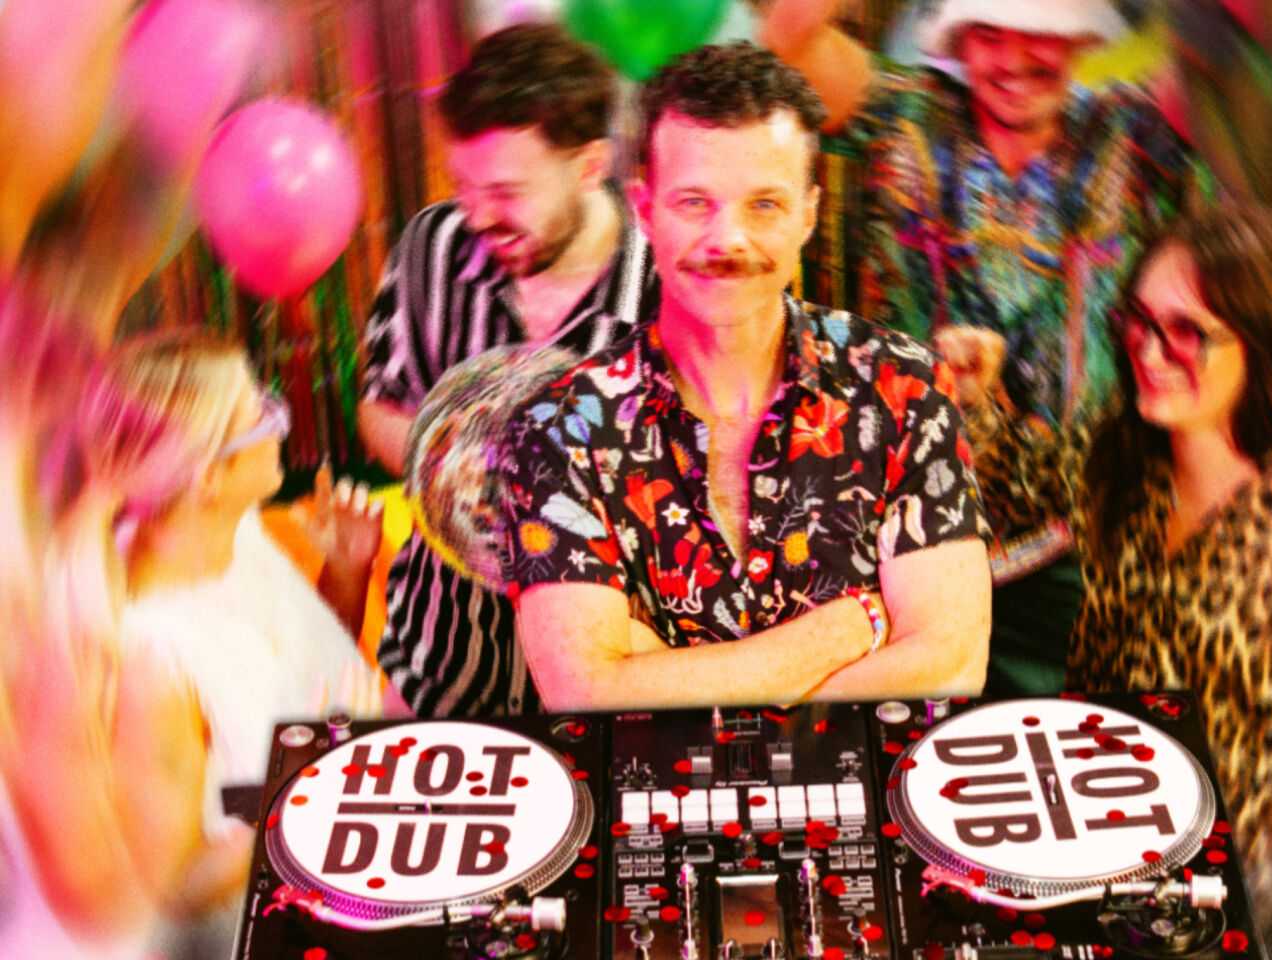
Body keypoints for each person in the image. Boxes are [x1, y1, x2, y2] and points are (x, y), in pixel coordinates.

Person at [502, 41, 992, 712]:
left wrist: (664, 681)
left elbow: (952, 664)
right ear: (644, 209)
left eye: (764, 204)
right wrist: (850, 629)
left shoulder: (902, 387)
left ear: (809, 214)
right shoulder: (558, 429)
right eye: (694, 203)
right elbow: (587, 695)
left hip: (882, 782)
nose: (727, 240)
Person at [949, 205, 1272, 933]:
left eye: (1187, 332)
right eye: (1138, 321)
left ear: (1265, 340)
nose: (1148, 353)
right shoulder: (1121, 452)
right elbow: (1011, 479)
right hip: (1091, 846)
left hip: (1242, 895)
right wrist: (975, 395)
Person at [761, 0, 1201, 695]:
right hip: (903, 539)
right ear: (960, 41)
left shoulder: (1130, 136)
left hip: (1081, 540)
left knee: (1065, 742)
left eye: (1042, 35)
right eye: (991, 34)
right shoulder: (903, 114)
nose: (1015, 60)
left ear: (1081, 40)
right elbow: (786, 42)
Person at [2, 330, 389, 958]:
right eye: (259, 414)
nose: (280, 421)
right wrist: (304, 796)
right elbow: (177, 887)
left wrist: (346, 574)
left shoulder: (239, 542)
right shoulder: (154, 655)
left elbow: (292, 690)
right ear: (208, 476)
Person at [358, 23, 657, 718]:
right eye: (463, 185)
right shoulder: (432, 243)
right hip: (440, 658)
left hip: (612, 680)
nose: (477, 215)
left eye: (506, 191)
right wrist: (453, 467)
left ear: (590, 165)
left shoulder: (665, 283)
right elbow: (381, 404)